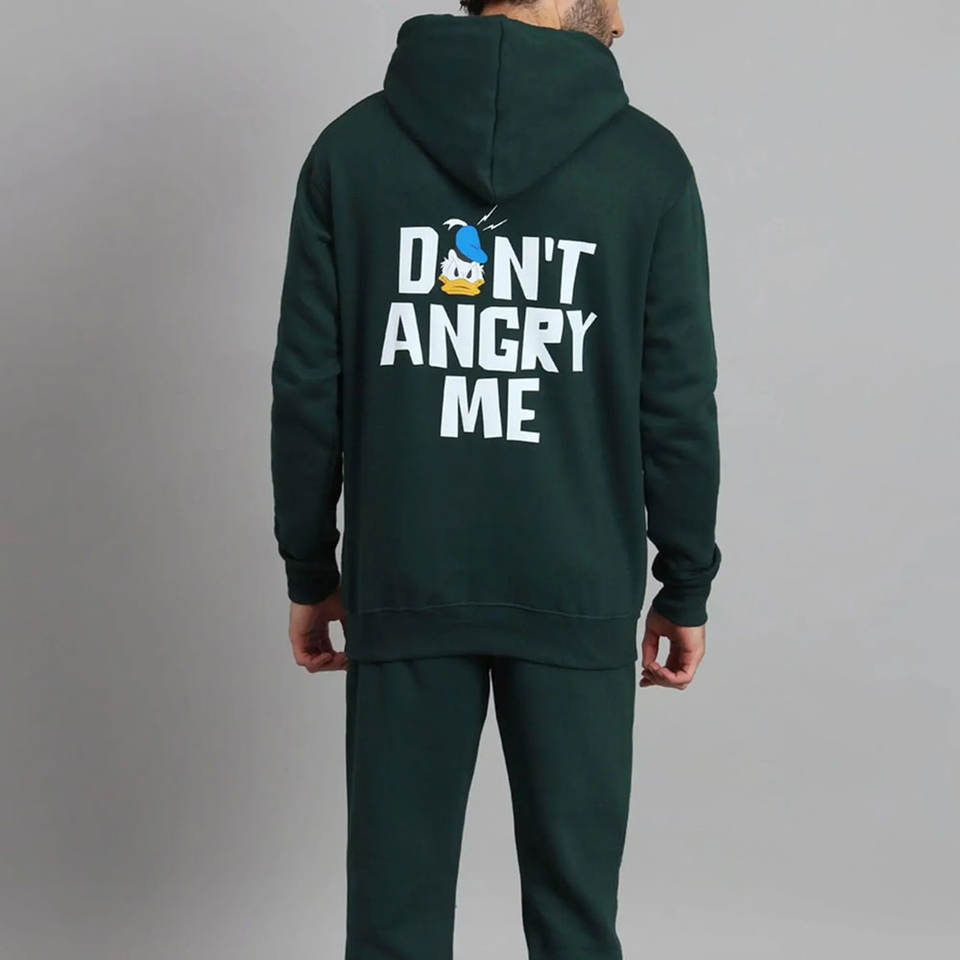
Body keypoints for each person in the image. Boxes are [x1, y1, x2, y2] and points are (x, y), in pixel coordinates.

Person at [270, 1, 721, 957]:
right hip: (576, 582)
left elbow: (309, 388)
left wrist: (312, 568)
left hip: (408, 574)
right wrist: (684, 582)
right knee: (575, 925)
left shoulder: (352, 152)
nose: (622, 21)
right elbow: (678, 399)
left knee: (393, 926)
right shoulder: (646, 165)